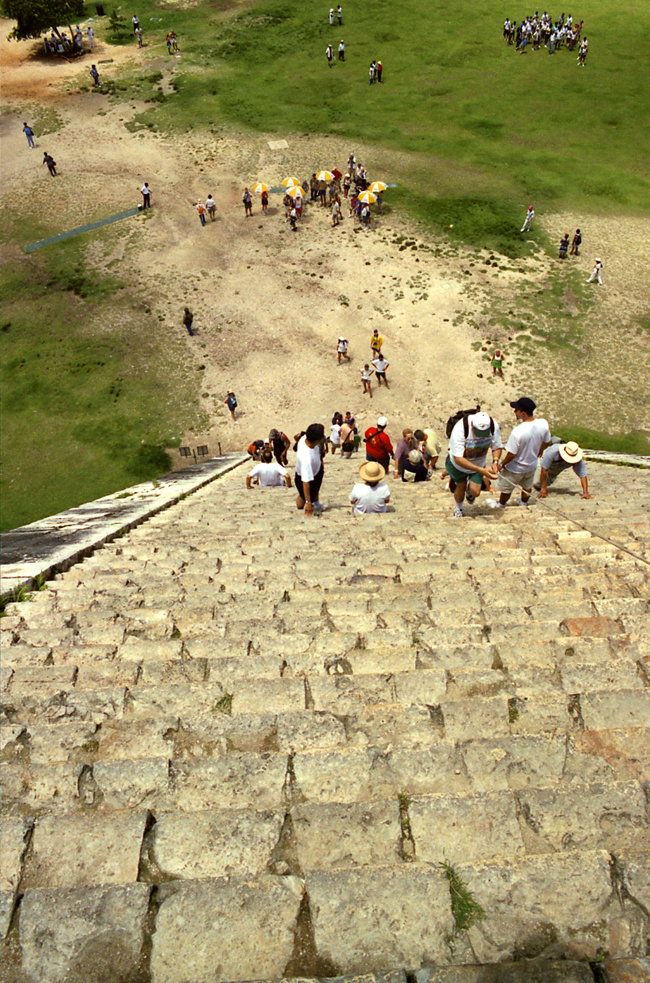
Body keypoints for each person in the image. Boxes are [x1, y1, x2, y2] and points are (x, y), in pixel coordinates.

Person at [490, 398, 550, 508]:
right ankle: (523, 502)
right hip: (531, 464)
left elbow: (512, 454)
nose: (514, 412)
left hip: (515, 467)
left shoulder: (517, 431)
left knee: (506, 488)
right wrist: (540, 449)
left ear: (523, 413)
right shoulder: (543, 424)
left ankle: (501, 504)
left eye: (516, 410)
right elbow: (547, 441)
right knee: (527, 486)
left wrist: (502, 464)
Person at [446, 411, 503, 518]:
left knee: (476, 492)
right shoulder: (460, 428)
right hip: (459, 465)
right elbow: (458, 459)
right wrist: (481, 470)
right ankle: (459, 508)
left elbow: (497, 447)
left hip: (478, 462)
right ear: (472, 424)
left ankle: (469, 490)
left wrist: (495, 461)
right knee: (460, 486)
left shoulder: (493, 426)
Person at [295, 423, 326, 515]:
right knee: (303, 496)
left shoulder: (304, 438)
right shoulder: (306, 458)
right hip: (305, 475)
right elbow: (306, 482)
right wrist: (308, 502)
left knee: (316, 489)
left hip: (316, 471)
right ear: (317, 440)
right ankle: (305, 506)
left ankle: (316, 503)